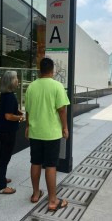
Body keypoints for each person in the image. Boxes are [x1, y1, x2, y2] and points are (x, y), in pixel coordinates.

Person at [25, 57, 70, 211]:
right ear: (53, 70)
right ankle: (52, 201)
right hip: (51, 133)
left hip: (35, 131)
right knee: (51, 165)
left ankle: (36, 194)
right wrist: (65, 128)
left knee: (35, 162)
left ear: (40, 70)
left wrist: (27, 127)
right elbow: (62, 110)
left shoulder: (31, 86)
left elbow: (28, 110)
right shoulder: (57, 86)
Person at [0, 70, 24, 194]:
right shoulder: (10, 96)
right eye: (16, 78)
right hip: (8, 130)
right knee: (4, 157)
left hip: (3, 129)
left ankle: (0, 179)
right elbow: (8, 116)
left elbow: (9, 110)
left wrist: (17, 111)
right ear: (11, 81)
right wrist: (20, 118)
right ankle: (1, 187)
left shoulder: (5, 95)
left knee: (3, 155)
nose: (18, 80)